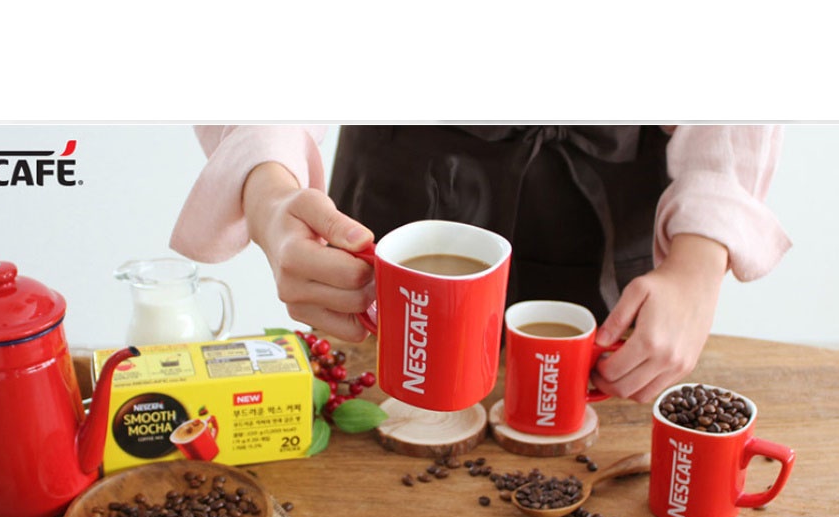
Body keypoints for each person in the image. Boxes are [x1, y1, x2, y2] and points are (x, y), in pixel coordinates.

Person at [170, 125, 791, 404]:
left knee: (571, 398)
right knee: (385, 390)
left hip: (610, 201)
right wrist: (268, 191)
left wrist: (698, 263)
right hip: (402, 175)